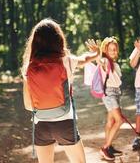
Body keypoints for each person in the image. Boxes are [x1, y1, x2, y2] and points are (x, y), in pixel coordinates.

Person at [21, 18, 100, 163]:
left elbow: (27, 105)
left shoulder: (28, 68)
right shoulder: (66, 61)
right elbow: (84, 59)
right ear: (58, 40)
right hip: (64, 123)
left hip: (41, 125)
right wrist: (96, 54)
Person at [98, 37, 124, 161]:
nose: (113, 52)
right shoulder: (105, 61)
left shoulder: (115, 64)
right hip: (109, 93)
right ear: (105, 51)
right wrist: (97, 53)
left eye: (115, 49)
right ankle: (105, 147)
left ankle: (109, 147)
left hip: (116, 93)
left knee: (111, 121)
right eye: (110, 50)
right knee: (119, 120)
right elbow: (101, 62)